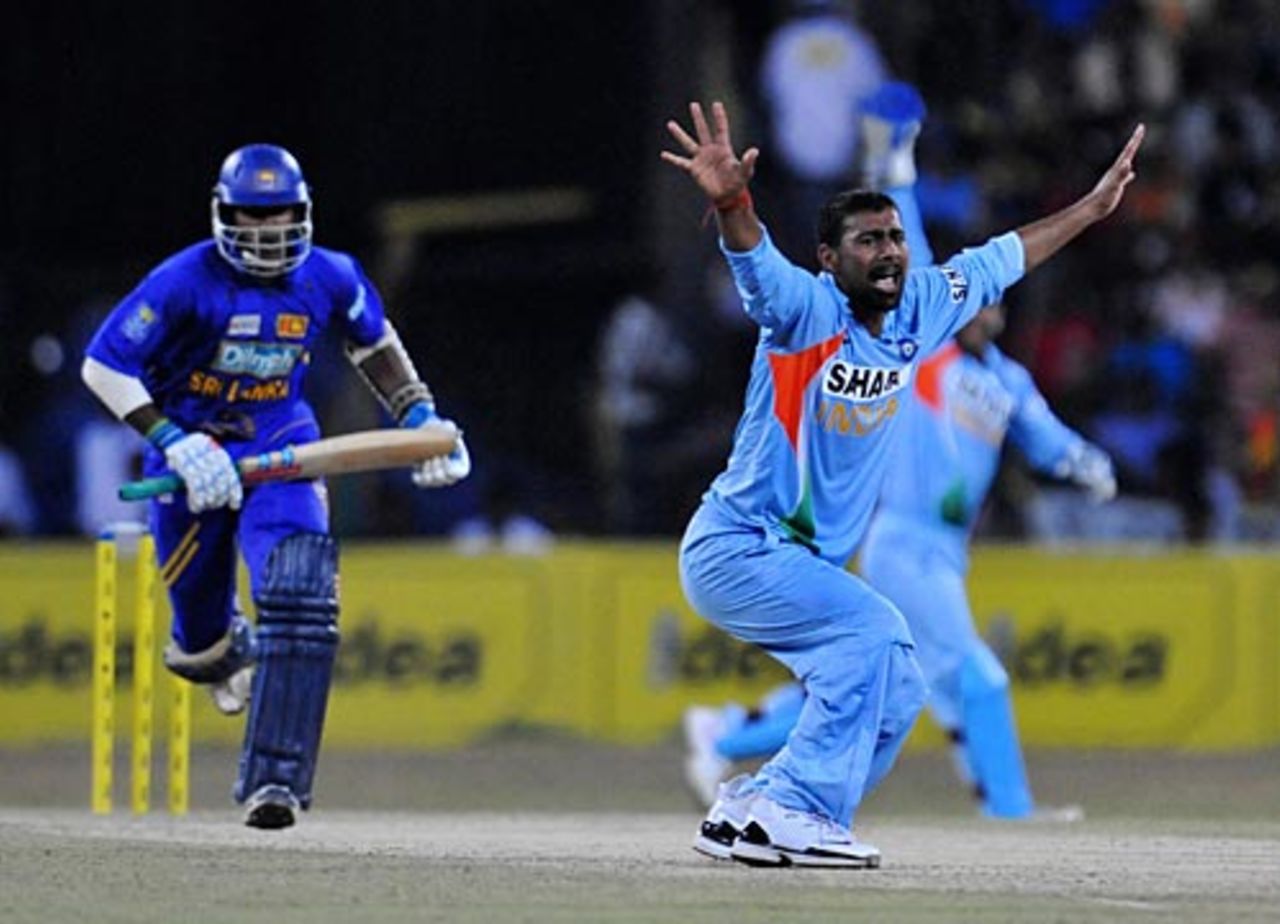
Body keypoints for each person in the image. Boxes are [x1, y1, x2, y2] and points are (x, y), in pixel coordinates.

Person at [661, 98, 1142, 868]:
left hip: (797, 564)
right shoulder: (804, 313)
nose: (888, 251)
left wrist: (1090, 208)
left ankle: (752, 805)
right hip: (739, 548)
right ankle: (795, 808)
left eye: (894, 236)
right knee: (876, 635)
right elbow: (753, 260)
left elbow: (1003, 257)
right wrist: (731, 202)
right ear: (829, 258)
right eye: (867, 241)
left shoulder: (922, 311)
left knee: (903, 683)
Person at [80, 143, 470, 829]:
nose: (267, 230)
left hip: (282, 442)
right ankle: (226, 647)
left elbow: (373, 343)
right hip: (191, 452)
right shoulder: (182, 281)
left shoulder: (330, 275)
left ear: (305, 211)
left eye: (281, 214)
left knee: (299, 589)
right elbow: (103, 367)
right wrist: (171, 438)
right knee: (199, 652)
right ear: (223, 215)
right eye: (251, 216)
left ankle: (276, 785)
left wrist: (420, 417)